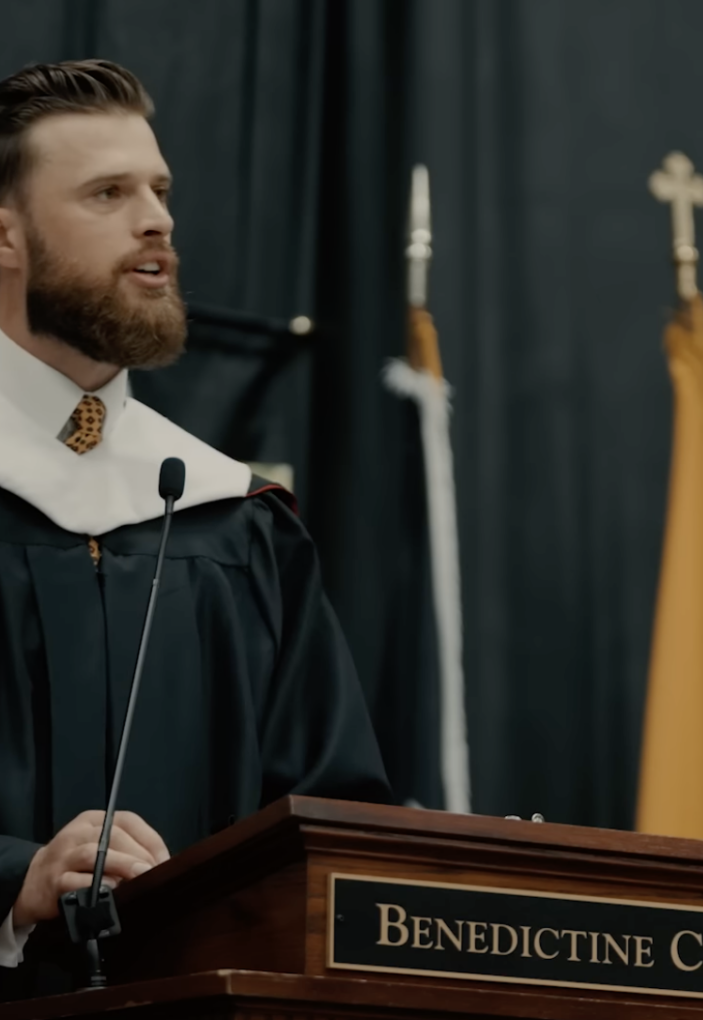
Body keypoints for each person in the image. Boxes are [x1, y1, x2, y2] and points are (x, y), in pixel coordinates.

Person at [0, 58, 391, 977]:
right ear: (6, 235)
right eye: (107, 192)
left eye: (161, 190)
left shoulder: (232, 518)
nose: (158, 219)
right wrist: (15, 882)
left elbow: (328, 817)